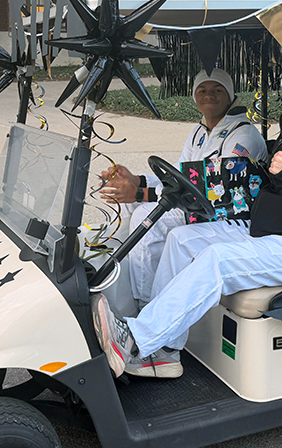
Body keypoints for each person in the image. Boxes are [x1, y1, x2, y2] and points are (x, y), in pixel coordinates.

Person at [93, 58, 282, 379]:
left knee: (216, 259)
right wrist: (143, 185)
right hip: (272, 232)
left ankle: (137, 338)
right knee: (181, 239)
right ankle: (165, 350)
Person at [98, 68, 267, 308]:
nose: (209, 95)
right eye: (202, 90)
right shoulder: (199, 132)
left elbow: (218, 188)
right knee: (132, 204)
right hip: (200, 206)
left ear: (230, 95)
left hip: (229, 214)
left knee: (147, 217)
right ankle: (121, 280)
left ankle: (145, 303)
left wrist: (139, 193)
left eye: (217, 90)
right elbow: (180, 175)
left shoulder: (243, 135)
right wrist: (139, 181)